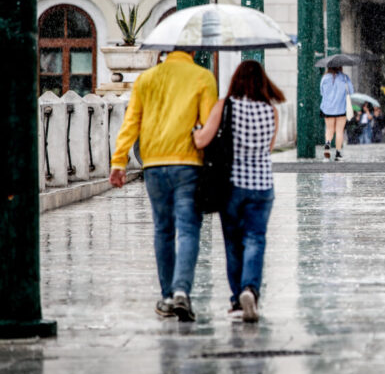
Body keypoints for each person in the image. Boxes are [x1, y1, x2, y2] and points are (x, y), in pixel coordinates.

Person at [109, 48, 218, 322]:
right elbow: (208, 126)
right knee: (189, 229)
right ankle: (182, 289)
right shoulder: (203, 77)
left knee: (163, 229)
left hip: (154, 164)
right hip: (188, 164)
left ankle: (168, 295)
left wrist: (119, 161)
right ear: (193, 49)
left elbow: (131, 121)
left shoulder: (147, 79)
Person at [192, 61, 284, 323]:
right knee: (256, 239)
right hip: (263, 185)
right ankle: (250, 290)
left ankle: (236, 302)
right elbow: (269, 147)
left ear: (236, 80)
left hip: (231, 184)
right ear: (263, 82)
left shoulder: (225, 105)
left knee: (233, 244)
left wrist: (195, 128)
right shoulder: (271, 110)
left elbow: (202, 140)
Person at [319, 66, 353, 161]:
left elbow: (322, 92)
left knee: (329, 129)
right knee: (339, 131)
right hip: (341, 108)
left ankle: (327, 145)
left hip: (327, 108)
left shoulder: (325, 78)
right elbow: (351, 91)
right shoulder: (344, 77)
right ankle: (338, 153)